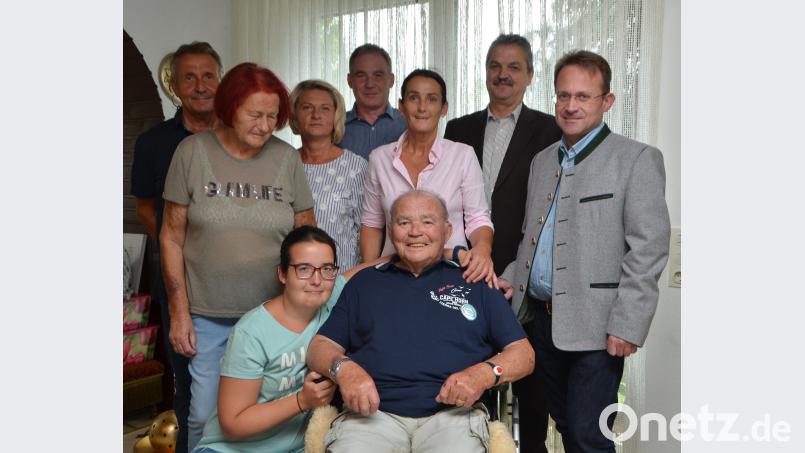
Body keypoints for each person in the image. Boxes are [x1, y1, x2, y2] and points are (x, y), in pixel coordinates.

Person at [499, 50, 671, 453]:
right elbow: (532, 237)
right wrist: (510, 275)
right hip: (539, 324)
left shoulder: (638, 159)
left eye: (583, 96)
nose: (570, 106)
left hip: (598, 328)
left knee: (588, 435)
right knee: (566, 426)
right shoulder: (543, 160)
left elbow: (648, 248)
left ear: (606, 101)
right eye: (563, 96)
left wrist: (628, 324)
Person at [160, 62, 316, 450]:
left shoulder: (286, 158)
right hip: (209, 316)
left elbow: (305, 234)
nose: (265, 126)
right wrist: (179, 311)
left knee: (270, 417)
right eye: (255, 115)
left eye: (272, 116)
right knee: (203, 415)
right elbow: (171, 237)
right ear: (230, 107)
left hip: (274, 318)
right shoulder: (191, 153)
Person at [307, 190, 535, 453]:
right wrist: (345, 370)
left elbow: (524, 355)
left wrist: (483, 374)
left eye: (427, 222)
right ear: (391, 231)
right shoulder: (364, 284)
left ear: (447, 231)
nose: (415, 232)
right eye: (404, 223)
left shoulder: (476, 282)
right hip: (371, 416)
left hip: (454, 417)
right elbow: (319, 347)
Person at [444, 33, 562, 453]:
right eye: (495, 65)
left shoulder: (550, 129)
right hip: (468, 268)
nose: (503, 74)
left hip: (523, 270)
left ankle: (532, 448)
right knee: (474, 368)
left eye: (514, 67)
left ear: (530, 75)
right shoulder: (458, 128)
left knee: (528, 376)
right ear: (486, 72)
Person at [130, 40, 222, 453]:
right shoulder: (154, 142)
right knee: (187, 384)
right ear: (174, 84)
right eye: (190, 77)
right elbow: (147, 208)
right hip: (181, 281)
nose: (201, 85)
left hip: (244, 280)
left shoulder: (244, 133)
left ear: (220, 80)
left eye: (208, 75)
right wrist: (180, 249)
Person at [191, 227, 340, 453]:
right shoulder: (252, 332)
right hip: (232, 449)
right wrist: (302, 401)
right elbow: (232, 424)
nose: (317, 280)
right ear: (282, 274)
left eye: (327, 269)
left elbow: (365, 271)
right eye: (304, 269)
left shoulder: (332, 301)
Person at [360, 69, 495, 284]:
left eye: (431, 99)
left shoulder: (463, 155)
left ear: (444, 108)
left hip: (451, 273)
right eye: (414, 98)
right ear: (402, 107)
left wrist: (482, 249)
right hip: (393, 275)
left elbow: (477, 217)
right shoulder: (379, 158)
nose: (422, 107)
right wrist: (370, 277)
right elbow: (372, 224)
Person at [289, 79, 368, 270]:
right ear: (294, 115)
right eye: (307, 108)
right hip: (294, 277)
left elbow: (366, 231)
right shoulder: (284, 163)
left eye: (325, 108)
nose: (316, 115)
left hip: (342, 276)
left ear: (336, 116)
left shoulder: (356, 167)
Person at [337, 44, 407, 160]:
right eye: (361, 76)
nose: (369, 84)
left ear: (391, 80)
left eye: (378, 75)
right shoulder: (334, 127)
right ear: (350, 81)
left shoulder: (409, 125)